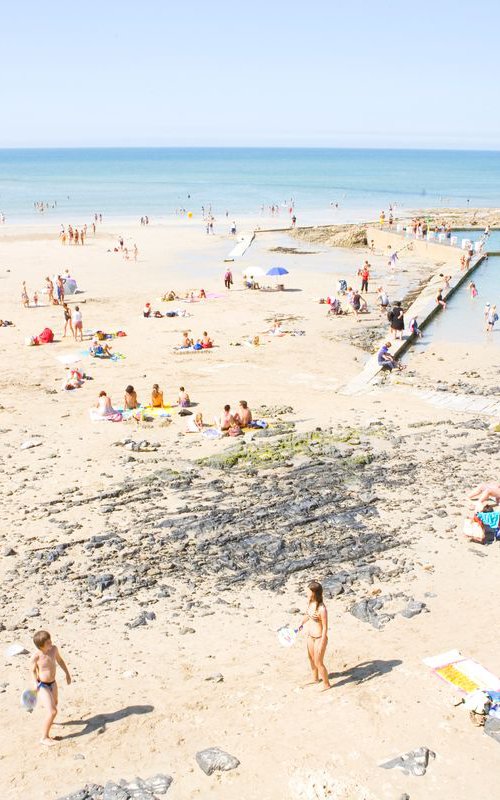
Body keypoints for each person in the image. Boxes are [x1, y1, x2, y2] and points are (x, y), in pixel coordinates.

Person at [30, 629, 71, 746]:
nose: (51, 643)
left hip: (53, 683)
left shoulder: (54, 649)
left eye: (50, 640)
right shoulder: (36, 656)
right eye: (48, 643)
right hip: (42, 685)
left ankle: (50, 720)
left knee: (55, 703)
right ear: (40, 646)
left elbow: (60, 661)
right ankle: (44, 737)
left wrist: (67, 674)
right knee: (53, 711)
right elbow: (32, 671)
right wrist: (34, 683)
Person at [297, 581, 330, 690]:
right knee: (311, 658)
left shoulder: (322, 609)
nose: (306, 592)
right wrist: (301, 623)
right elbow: (308, 615)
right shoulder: (311, 602)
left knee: (318, 662)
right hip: (311, 636)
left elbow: (325, 627)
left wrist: (322, 643)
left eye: (308, 591)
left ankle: (326, 684)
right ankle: (315, 679)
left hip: (319, 637)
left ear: (314, 593)